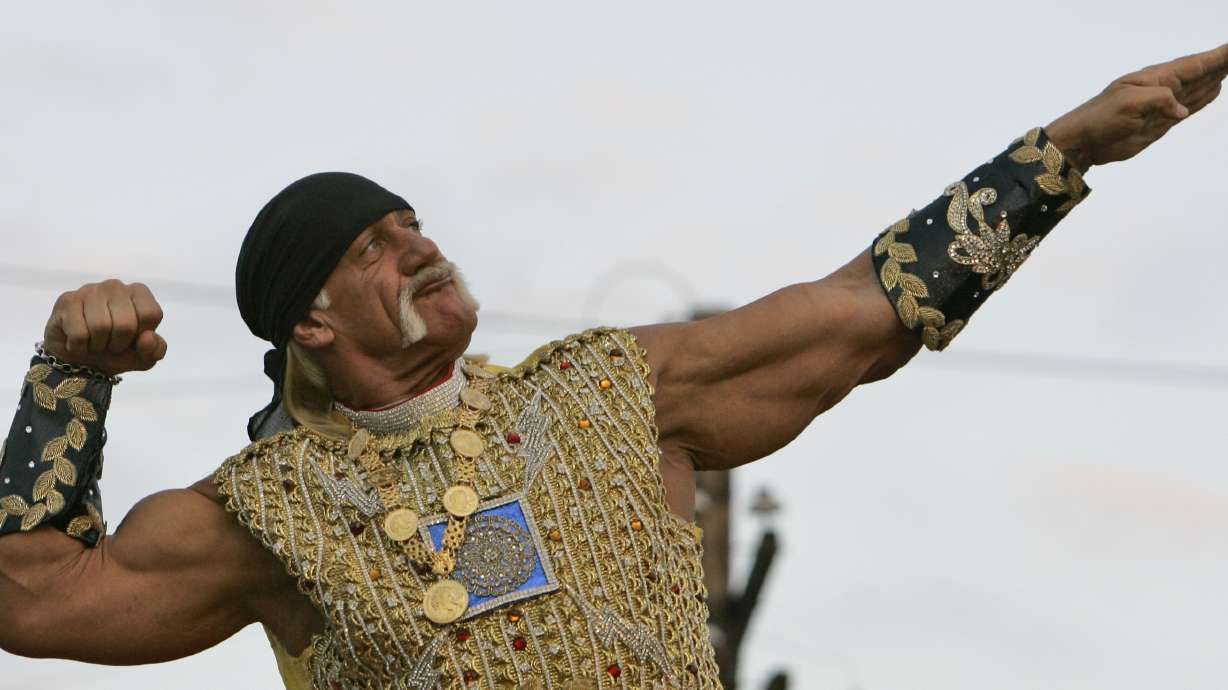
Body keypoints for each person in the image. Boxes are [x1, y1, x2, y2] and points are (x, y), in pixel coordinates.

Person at [0, 44, 1224, 690]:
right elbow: (34, 601)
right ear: (310, 328)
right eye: (375, 249)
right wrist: (67, 375)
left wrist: (1064, 150)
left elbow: (860, 308)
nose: (420, 247)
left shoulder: (605, 393)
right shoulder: (263, 515)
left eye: (412, 223)